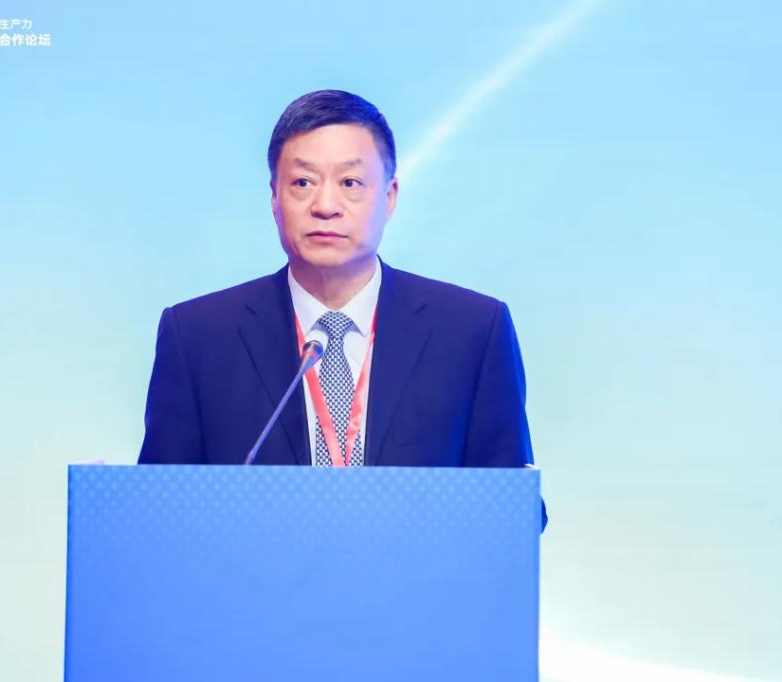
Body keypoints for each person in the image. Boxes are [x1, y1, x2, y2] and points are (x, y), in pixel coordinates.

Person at [138, 89, 545, 528]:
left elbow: (511, 513)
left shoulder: (472, 331)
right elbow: (158, 514)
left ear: (389, 196)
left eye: (350, 183)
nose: (325, 206)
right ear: (274, 197)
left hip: (413, 572)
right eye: (303, 183)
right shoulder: (197, 336)